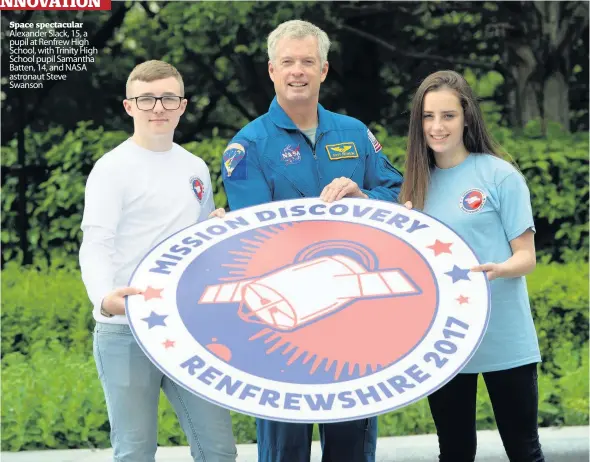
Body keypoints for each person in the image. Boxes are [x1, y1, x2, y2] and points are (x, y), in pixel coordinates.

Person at [220, 20, 403, 462]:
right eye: (288, 62)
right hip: (283, 322)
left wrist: (364, 196)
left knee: (352, 446)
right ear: (271, 70)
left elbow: (397, 193)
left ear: (324, 70)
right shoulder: (247, 146)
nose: (297, 71)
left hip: (353, 318)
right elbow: (252, 237)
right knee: (286, 449)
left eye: (307, 62)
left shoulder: (355, 133)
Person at [79, 60, 237, 462]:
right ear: (129, 106)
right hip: (125, 328)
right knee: (134, 451)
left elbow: (198, 241)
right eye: (146, 99)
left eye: (168, 98)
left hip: (188, 325)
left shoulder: (194, 167)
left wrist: (216, 227)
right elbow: (96, 242)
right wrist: (103, 298)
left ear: (182, 105)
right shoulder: (111, 169)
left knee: (218, 451)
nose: (158, 107)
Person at [399, 70, 544, 462]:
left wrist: (499, 269)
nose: (437, 126)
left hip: (504, 336)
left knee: (523, 450)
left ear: (466, 118)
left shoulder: (499, 175)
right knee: (456, 452)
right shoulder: (414, 185)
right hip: (447, 342)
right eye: (428, 117)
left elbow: (526, 257)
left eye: (447, 115)